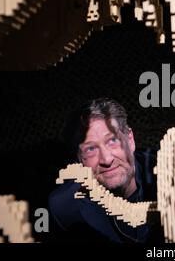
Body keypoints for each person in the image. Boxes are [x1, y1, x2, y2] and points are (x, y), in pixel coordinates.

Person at [48, 98, 163, 243]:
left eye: (112, 141)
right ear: (78, 159)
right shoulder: (65, 206)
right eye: (90, 149)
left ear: (130, 140)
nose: (107, 160)